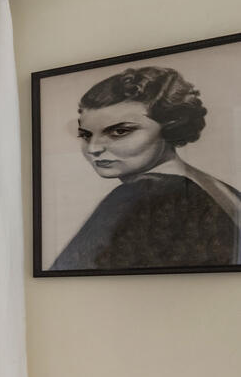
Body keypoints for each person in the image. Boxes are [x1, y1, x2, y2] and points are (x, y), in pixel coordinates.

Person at [53, 66, 241, 271]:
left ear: (170, 126)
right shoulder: (221, 190)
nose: (93, 148)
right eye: (86, 135)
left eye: (120, 131)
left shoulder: (142, 194)